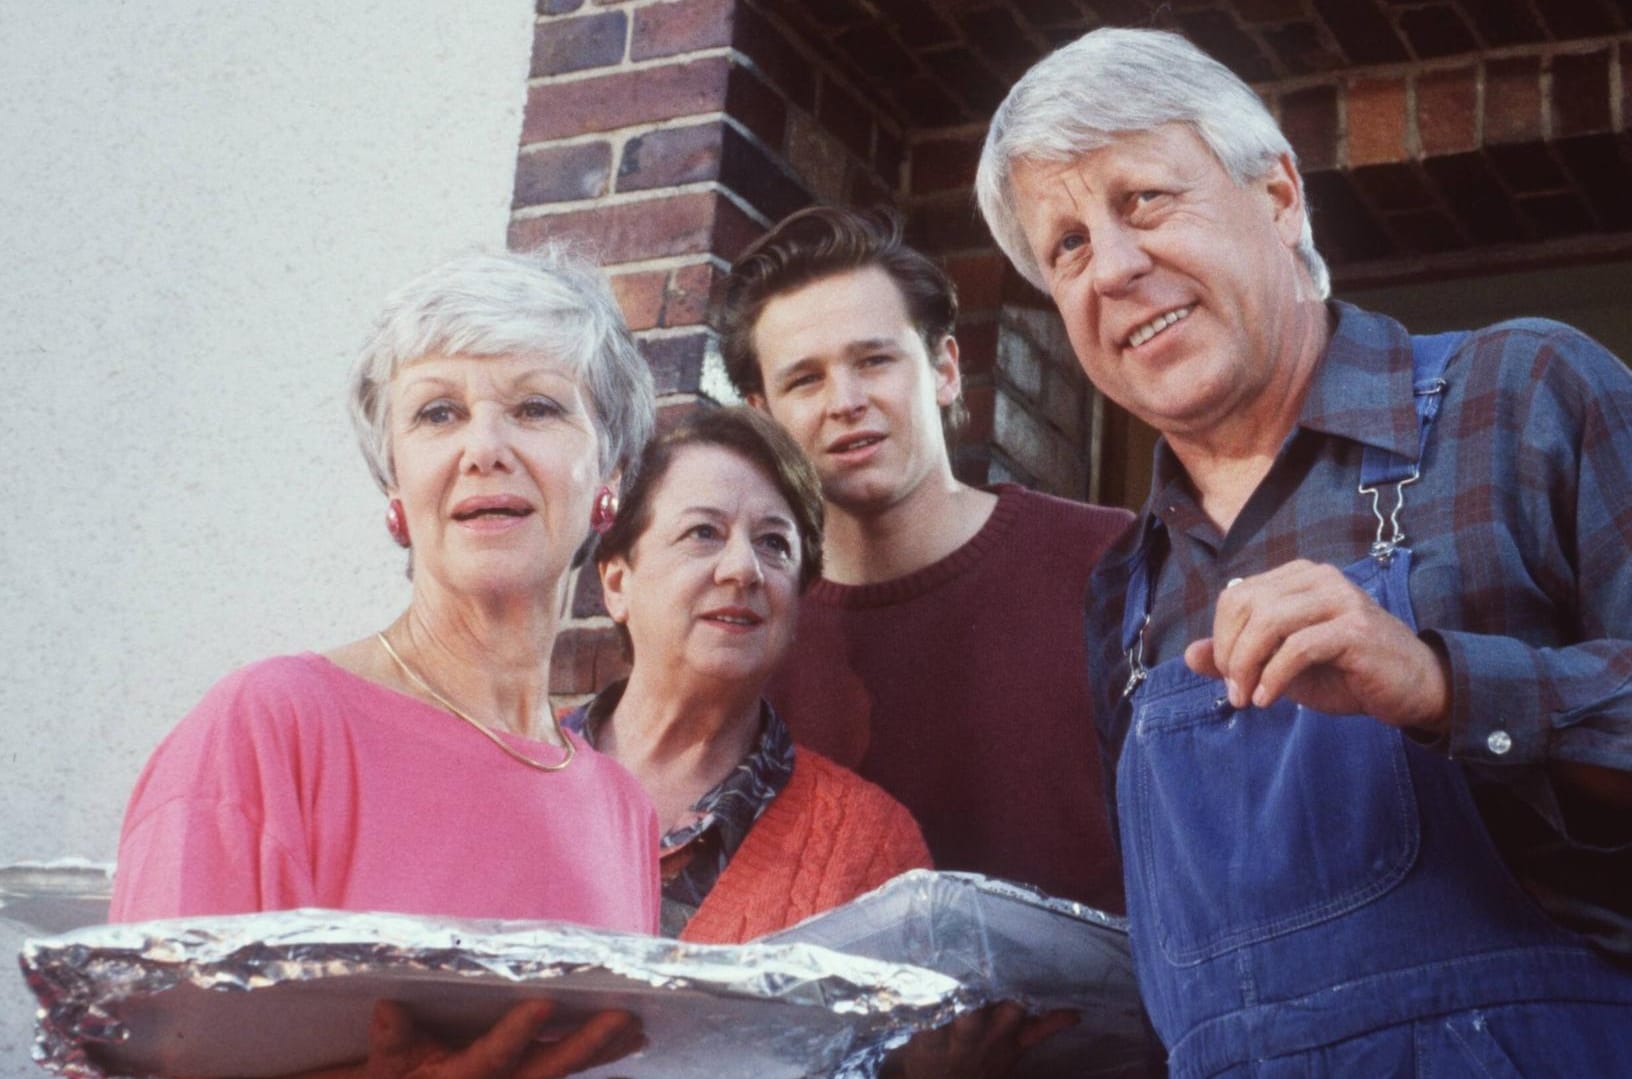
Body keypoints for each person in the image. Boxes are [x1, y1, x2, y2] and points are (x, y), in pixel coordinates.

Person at [976, 27, 1632, 1077]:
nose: (1113, 267)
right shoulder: (1129, 587)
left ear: (1278, 196)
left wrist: (1447, 687)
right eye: (1066, 244)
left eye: (1145, 200)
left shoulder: (1521, 392)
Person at [110, 247, 661, 1077]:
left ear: (609, 478)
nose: (485, 446)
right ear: (396, 489)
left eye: (537, 407)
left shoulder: (621, 809)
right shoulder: (273, 726)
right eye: (438, 413)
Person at [715, 206, 1132, 916]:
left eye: (874, 360)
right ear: (762, 415)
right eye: (805, 380)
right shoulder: (746, 629)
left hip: (1113, 1021)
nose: (846, 402)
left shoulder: (1108, 560)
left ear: (943, 368)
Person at [567, 406, 931, 944]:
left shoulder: (872, 847)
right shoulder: (505, 775)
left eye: (774, 543)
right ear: (617, 584)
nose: (743, 569)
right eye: (703, 532)